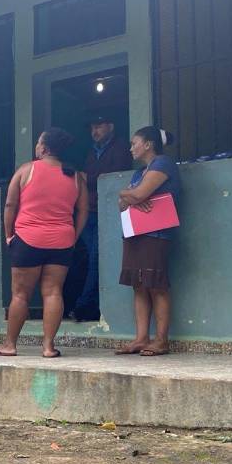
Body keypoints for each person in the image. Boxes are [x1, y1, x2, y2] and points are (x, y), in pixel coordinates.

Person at [0, 128, 87, 358]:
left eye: (38, 142)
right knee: (53, 292)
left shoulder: (26, 169)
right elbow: (82, 210)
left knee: (20, 295)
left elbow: (10, 205)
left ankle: (10, 345)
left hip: (28, 239)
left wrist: (8, 234)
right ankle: (48, 347)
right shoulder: (75, 177)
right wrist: (73, 234)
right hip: (62, 241)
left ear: (43, 148)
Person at [115, 126, 181, 357]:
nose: (131, 147)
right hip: (136, 233)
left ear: (148, 144)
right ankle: (141, 338)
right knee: (139, 284)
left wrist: (131, 196)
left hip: (156, 234)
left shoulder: (163, 163)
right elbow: (123, 203)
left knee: (156, 284)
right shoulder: (139, 172)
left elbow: (138, 195)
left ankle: (161, 340)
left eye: (135, 143)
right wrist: (129, 196)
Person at [74, 115, 133, 321]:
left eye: (98, 126)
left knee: (96, 259)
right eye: (92, 127)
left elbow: (112, 175)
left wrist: (86, 177)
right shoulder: (92, 151)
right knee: (89, 259)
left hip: (106, 212)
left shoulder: (121, 147)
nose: (94, 131)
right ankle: (87, 304)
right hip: (89, 211)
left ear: (111, 125)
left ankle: (86, 306)